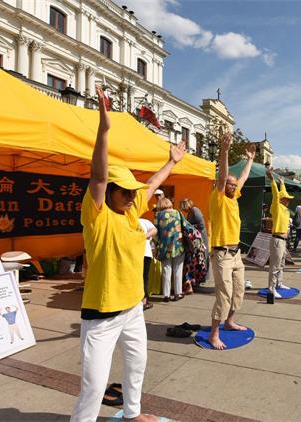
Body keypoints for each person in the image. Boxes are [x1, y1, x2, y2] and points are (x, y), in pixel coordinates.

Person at [71, 86, 185, 422]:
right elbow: (98, 175)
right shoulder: (97, 216)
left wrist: (171, 162)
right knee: (93, 386)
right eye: (125, 192)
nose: (133, 197)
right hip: (102, 316)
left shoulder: (132, 213)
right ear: (110, 193)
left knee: (137, 365)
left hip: (133, 307)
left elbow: (150, 186)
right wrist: (104, 130)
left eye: (133, 193)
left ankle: (132, 414)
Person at [208, 132, 255, 350]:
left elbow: (242, 178)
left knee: (238, 291)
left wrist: (250, 160)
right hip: (222, 253)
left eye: (234, 185)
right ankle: (214, 334)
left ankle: (229, 322)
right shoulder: (217, 198)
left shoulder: (234, 197)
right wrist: (224, 152)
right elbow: (223, 175)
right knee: (224, 295)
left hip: (236, 254)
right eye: (230, 184)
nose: (233, 186)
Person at [266, 167, 294, 303]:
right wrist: (272, 181)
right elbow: (276, 195)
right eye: (287, 198)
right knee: (275, 265)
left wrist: (282, 183)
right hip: (277, 239)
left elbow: (281, 194)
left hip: (283, 240)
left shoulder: (285, 209)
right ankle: (271, 288)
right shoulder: (277, 206)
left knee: (281, 263)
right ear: (282, 199)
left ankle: (279, 283)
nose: (289, 200)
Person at [155, 198, 185, 302]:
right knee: (178, 270)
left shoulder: (158, 215)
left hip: (164, 246)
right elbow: (184, 226)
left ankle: (166, 295)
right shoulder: (177, 213)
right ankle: (178, 293)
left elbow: (155, 232)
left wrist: (158, 243)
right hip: (178, 245)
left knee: (166, 270)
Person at [139, 218, 157, 310]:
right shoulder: (144, 221)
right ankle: (143, 302)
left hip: (141, 253)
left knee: (141, 277)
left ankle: (143, 301)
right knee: (143, 277)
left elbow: (154, 230)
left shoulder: (143, 221)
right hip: (144, 254)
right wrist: (146, 236)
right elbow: (154, 230)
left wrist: (144, 236)